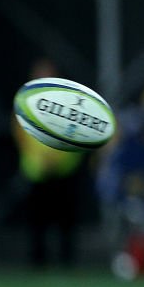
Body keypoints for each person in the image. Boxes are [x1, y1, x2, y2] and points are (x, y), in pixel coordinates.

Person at [13, 57, 87, 268]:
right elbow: (19, 132)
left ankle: (67, 259)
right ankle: (38, 260)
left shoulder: (69, 101)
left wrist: (58, 158)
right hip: (37, 170)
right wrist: (40, 159)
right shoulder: (25, 101)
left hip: (65, 168)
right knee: (38, 218)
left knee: (66, 217)